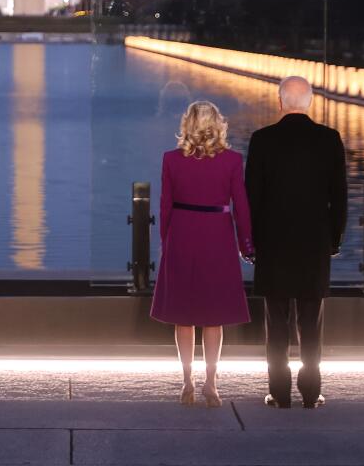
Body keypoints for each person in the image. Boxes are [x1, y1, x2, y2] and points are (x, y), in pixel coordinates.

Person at [245, 76, 348, 409]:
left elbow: (252, 198)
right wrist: (333, 239)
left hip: (273, 245)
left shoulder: (262, 140)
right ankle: (311, 392)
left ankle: (279, 392)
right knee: (311, 323)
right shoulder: (330, 139)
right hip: (313, 245)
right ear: (311, 102)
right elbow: (340, 198)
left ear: (279, 102)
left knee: (276, 324)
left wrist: (250, 242)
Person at [149, 100, 255, 408]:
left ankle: (186, 381)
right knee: (214, 316)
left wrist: (166, 241)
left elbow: (165, 205)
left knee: (184, 316)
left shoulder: (171, 159)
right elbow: (241, 207)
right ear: (217, 124)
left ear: (188, 124)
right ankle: (212, 382)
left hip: (182, 233)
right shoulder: (233, 160)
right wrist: (246, 244)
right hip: (217, 236)